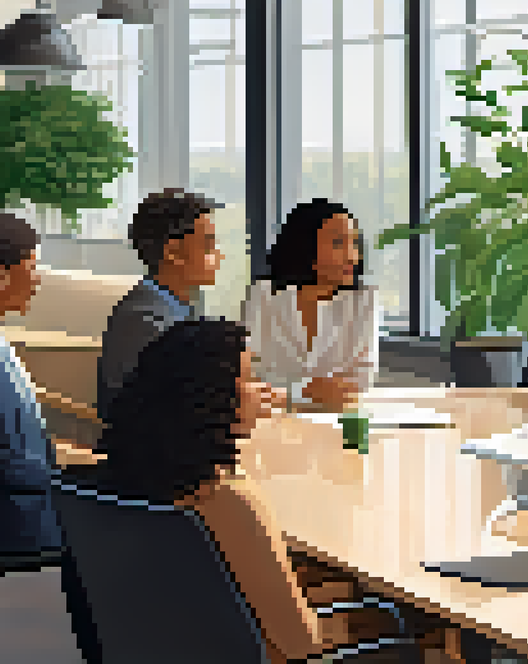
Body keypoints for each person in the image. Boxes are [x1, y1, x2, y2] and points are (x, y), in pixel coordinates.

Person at [68, 318, 403, 664]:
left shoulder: (110, 481)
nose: (262, 389)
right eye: (250, 377)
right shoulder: (227, 499)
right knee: (401, 626)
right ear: (216, 396)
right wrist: (362, 623)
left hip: (147, 649)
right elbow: (301, 643)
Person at [0, 210, 102, 662]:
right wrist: (75, 479)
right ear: (1, 275)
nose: (39, 278)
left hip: (33, 505)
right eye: (32, 264)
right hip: (18, 528)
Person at [243, 199, 378, 410]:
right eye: (338, 243)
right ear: (305, 245)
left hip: (339, 421)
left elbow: (358, 383)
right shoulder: (265, 294)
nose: (353, 256)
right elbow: (250, 375)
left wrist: (288, 392)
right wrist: (306, 391)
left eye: (355, 243)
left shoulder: (364, 299)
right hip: (270, 418)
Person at [98, 188, 224, 411]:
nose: (219, 256)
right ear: (173, 253)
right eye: (208, 247)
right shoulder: (144, 321)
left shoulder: (183, 307)